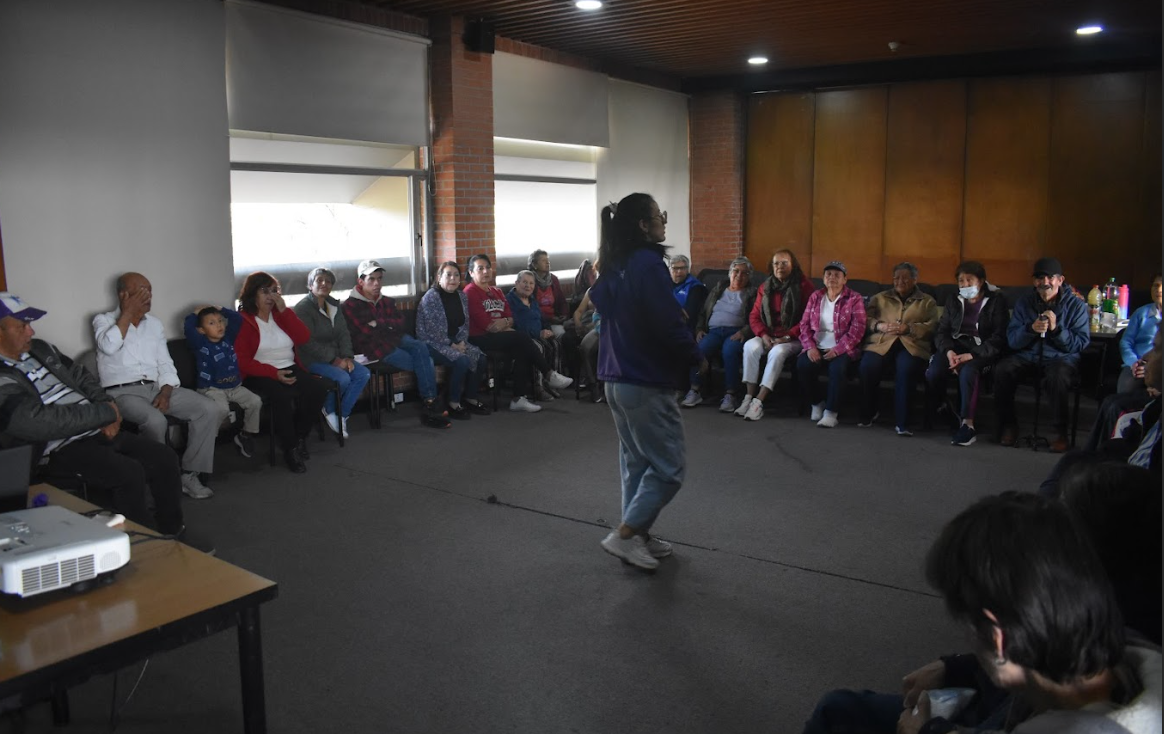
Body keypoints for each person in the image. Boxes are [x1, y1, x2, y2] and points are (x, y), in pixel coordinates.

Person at [803, 491, 1160, 734]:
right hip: (1009, 706)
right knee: (841, 708)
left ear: (998, 638)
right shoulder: (1127, 655)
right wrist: (957, 666)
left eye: (970, 630)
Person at [0, 294, 212, 554]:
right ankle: (147, 547)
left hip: (98, 427)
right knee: (129, 472)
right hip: (60, 447)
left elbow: (81, 376)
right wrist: (104, 413)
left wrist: (107, 406)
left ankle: (172, 530)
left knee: (164, 457)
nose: (31, 330)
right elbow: (34, 422)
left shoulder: (41, 348)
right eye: (21, 326)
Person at [590, 193, 702, 571]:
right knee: (669, 468)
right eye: (659, 216)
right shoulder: (649, 263)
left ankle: (637, 534)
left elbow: (602, 301)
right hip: (643, 377)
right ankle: (624, 536)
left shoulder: (615, 262)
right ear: (643, 224)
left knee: (637, 463)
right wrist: (694, 355)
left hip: (615, 377)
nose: (663, 222)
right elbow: (667, 322)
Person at [94, 272, 227, 500]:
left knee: (209, 409)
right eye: (142, 291)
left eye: (150, 290)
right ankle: (159, 477)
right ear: (123, 294)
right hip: (122, 393)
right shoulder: (103, 321)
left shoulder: (154, 324)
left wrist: (166, 392)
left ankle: (188, 474)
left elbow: (165, 363)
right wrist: (127, 313)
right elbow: (109, 346)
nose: (148, 296)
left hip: (157, 387)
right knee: (156, 420)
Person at [235, 272, 329, 473]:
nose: (271, 296)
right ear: (252, 294)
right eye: (264, 291)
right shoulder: (243, 320)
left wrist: (285, 311)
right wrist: (272, 373)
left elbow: (303, 337)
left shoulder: (281, 315)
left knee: (318, 389)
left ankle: (299, 436)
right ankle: (290, 448)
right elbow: (241, 361)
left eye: (274, 291)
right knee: (281, 396)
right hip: (258, 371)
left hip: (288, 365)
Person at [995, 257, 1090, 452]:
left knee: (1058, 377)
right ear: (1033, 281)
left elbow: (1079, 344)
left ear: (1060, 280)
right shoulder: (1024, 302)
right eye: (1039, 278)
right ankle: (1009, 425)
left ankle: (1060, 432)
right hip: (1028, 355)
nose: (1044, 282)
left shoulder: (1077, 306)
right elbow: (1012, 340)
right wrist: (1030, 329)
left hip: (1060, 357)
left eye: (1050, 278)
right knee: (1002, 370)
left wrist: (1056, 330)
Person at [342, 260, 450, 429]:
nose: (377, 283)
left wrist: (378, 323)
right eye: (371, 279)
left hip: (395, 338)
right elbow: (364, 333)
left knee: (420, 346)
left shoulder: (386, 301)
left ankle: (430, 403)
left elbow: (400, 323)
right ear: (361, 281)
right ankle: (431, 404)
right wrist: (387, 325)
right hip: (375, 348)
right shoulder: (350, 305)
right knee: (426, 361)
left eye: (379, 278)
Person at [463, 253, 572, 412]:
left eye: (488, 267)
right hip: (479, 337)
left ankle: (518, 398)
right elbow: (488, 326)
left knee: (521, 348)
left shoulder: (497, 292)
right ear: (471, 272)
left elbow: (511, 318)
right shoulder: (470, 292)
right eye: (480, 268)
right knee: (521, 337)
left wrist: (505, 323)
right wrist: (505, 323)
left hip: (499, 336)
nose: (486, 271)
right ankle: (549, 374)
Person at [925, 261, 1009, 447]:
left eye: (969, 280)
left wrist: (971, 355)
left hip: (982, 350)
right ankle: (944, 407)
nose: (964, 285)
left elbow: (999, 338)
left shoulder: (996, 301)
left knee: (968, 372)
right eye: (961, 281)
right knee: (934, 372)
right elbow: (942, 331)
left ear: (982, 281)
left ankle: (967, 425)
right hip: (955, 347)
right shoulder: (953, 299)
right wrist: (949, 352)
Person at [857, 263, 938, 436]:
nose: (899, 281)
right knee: (868, 366)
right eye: (896, 277)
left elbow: (932, 326)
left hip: (912, 345)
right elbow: (865, 320)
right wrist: (880, 325)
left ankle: (903, 422)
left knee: (906, 370)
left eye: (904, 278)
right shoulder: (879, 298)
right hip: (881, 342)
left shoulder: (927, 301)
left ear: (914, 279)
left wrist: (909, 328)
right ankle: (869, 411)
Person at [735, 249, 815, 421]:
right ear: (771, 266)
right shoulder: (766, 287)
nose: (780, 266)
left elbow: (808, 320)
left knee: (777, 352)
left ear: (793, 265)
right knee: (750, 346)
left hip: (794, 338)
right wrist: (763, 335)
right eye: (776, 263)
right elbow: (754, 316)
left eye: (784, 263)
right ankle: (748, 397)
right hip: (769, 335)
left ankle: (759, 401)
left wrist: (786, 337)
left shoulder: (804, 286)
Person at [293, 267, 370, 439]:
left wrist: (348, 357)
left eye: (328, 281)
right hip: (311, 359)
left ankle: (341, 414)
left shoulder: (334, 305)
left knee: (363, 374)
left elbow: (343, 334)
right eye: (319, 280)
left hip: (336, 356)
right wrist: (335, 360)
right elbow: (307, 343)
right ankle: (329, 408)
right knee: (342, 378)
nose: (324, 284)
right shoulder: (303, 309)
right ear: (310, 285)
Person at [183, 305, 263, 458]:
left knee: (255, 401)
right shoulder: (199, 343)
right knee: (222, 409)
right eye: (211, 323)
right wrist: (195, 313)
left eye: (220, 321)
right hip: (211, 388)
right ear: (201, 329)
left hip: (234, 386)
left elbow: (237, 319)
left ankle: (245, 435)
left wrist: (221, 308)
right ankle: (206, 439)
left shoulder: (228, 338)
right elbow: (188, 327)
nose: (219, 325)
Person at [415, 261, 491, 419]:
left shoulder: (461, 295)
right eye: (448, 275)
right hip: (430, 342)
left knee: (480, 358)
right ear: (439, 277)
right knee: (461, 361)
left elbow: (465, 323)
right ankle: (453, 402)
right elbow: (432, 331)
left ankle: (470, 397)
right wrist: (452, 345)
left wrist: (461, 342)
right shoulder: (431, 297)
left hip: (456, 341)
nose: (453, 279)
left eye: (456, 275)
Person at [796, 261, 867, 428]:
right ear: (823, 278)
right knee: (803, 365)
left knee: (837, 369)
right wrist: (810, 347)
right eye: (828, 274)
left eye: (837, 275)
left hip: (843, 347)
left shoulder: (854, 298)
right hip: (817, 345)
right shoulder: (815, 297)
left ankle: (831, 412)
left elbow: (858, 329)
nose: (832, 278)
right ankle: (816, 403)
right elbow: (804, 325)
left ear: (845, 279)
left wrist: (838, 349)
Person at [681, 256, 757, 412]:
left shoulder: (752, 293)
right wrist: (700, 328)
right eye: (735, 271)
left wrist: (744, 331)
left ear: (749, 276)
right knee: (699, 350)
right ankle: (695, 390)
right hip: (714, 330)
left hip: (736, 332)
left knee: (729, 351)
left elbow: (756, 317)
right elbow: (703, 311)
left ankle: (731, 394)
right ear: (729, 273)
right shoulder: (718, 289)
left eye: (744, 273)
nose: (739, 276)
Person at [507, 269, 562, 395]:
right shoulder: (510, 301)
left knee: (555, 344)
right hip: (522, 338)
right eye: (524, 282)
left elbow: (542, 318)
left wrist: (548, 329)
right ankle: (538, 387)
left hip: (538, 334)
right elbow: (517, 325)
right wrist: (538, 333)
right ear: (516, 283)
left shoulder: (532, 300)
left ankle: (551, 383)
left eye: (531, 283)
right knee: (539, 347)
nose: (528, 286)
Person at [1118, 273, 1161, 394]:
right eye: (1155, 286)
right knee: (1125, 390)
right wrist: (1133, 363)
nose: (1159, 290)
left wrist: (1153, 366)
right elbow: (1125, 342)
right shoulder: (1141, 313)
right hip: (1138, 364)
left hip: (1159, 366)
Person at [670, 254, 708, 332]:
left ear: (688, 270)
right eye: (675, 268)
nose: (679, 271)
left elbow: (688, 315)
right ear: (669, 269)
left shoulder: (696, 287)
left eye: (683, 268)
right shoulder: (663, 284)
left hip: (683, 327)